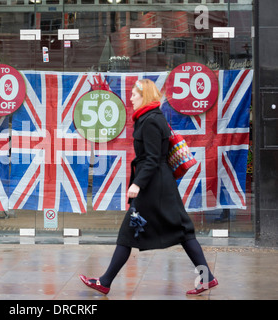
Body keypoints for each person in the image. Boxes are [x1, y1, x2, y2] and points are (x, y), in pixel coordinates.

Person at [79, 79, 218, 296]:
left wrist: (137, 184)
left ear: (145, 96)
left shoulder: (151, 121)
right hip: (159, 184)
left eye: (134, 94)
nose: (131, 98)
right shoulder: (149, 118)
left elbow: (153, 159)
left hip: (154, 185)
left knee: (131, 231)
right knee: (182, 229)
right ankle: (206, 277)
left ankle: (105, 282)